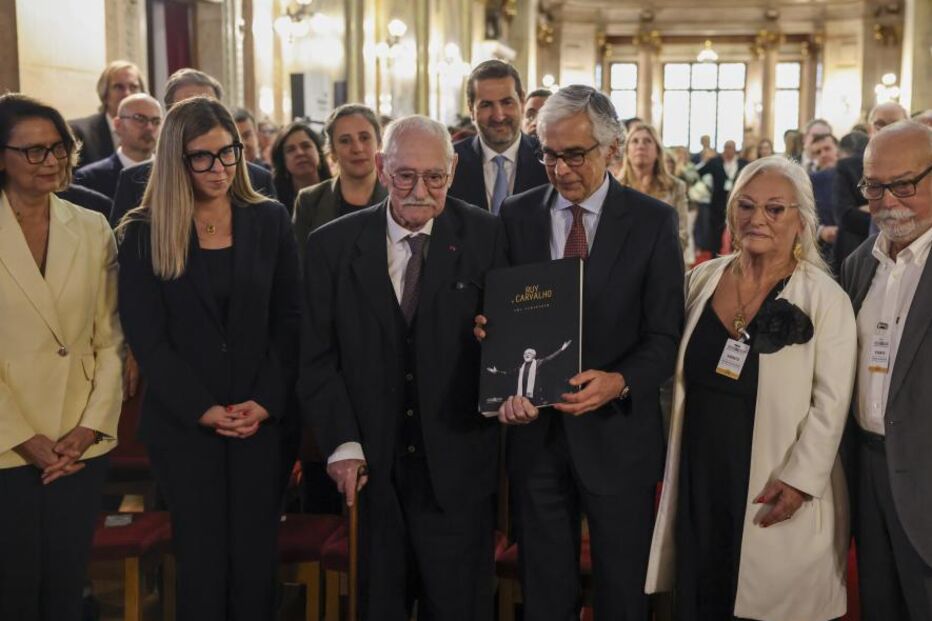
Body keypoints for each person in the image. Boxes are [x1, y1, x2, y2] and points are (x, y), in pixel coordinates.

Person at [484, 85, 684, 620]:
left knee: (622, 591)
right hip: (537, 437)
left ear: (612, 149)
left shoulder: (652, 222)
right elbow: (502, 320)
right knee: (545, 590)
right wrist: (492, 344)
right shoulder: (516, 215)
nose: (560, 169)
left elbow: (665, 337)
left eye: (575, 154)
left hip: (618, 435)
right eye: (548, 153)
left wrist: (618, 382)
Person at [298, 115, 507, 619]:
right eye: (405, 175)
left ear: (453, 171)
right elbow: (315, 357)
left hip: (458, 470)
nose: (419, 191)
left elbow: (509, 340)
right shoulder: (331, 245)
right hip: (372, 470)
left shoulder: (489, 236)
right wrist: (343, 445)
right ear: (380, 168)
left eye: (434, 177)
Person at [646, 155, 857, 621]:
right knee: (702, 593)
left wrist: (801, 482)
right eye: (745, 205)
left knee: (766, 603)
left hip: (775, 477)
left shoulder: (826, 299)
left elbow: (832, 404)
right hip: (701, 471)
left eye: (775, 209)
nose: (757, 218)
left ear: (802, 220)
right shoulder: (702, 279)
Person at [116, 97, 300, 620]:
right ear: (176, 158)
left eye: (228, 154)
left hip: (259, 422)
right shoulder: (143, 231)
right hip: (185, 426)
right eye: (203, 157)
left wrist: (264, 400)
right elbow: (148, 339)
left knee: (255, 560)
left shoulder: (269, 219)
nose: (219, 169)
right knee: (200, 561)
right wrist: (203, 408)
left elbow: (290, 321)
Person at [0, 93, 124, 620]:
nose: (50, 161)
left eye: (58, 148)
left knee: (66, 587)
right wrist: (22, 437)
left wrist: (88, 428)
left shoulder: (91, 225)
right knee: (14, 590)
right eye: (33, 151)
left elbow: (113, 338)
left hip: (77, 442)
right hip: (7, 444)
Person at [840, 120, 932, 621]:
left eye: (904, 184)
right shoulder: (859, 263)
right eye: (874, 186)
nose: (887, 200)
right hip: (869, 472)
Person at [109, 68, 276, 227]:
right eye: (186, 108)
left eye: (207, 106)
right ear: (169, 116)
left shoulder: (258, 179)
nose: (199, 116)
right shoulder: (134, 180)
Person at [447, 60, 549, 213]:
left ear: (521, 102)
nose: (499, 116)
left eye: (507, 102)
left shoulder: (548, 162)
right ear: (471, 109)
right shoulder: (449, 163)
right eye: (486, 105)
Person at [293, 104, 387, 265]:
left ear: (379, 144)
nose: (357, 148)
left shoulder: (398, 195)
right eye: (345, 141)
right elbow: (300, 264)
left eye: (364, 138)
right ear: (333, 152)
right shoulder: (310, 201)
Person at [833, 102, 908, 274]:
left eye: (894, 124)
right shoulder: (848, 167)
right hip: (858, 256)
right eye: (880, 124)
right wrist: (894, 217)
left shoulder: (921, 168)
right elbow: (845, 216)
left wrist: (871, 210)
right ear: (869, 129)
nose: (887, 130)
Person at [616, 123, 690, 252]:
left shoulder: (676, 187)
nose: (640, 146)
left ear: (657, 151)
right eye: (635, 141)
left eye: (647, 141)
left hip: (664, 261)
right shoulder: (615, 188)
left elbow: (682, 235)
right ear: (627, 151)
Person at [73, 93, 161, 199]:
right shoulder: (89, 178)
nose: (149, 127)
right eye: (140, 119)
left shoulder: (173, 173)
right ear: (118, 125)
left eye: (156, 121)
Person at [69, 60, 146, 168]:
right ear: (104, 94)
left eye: (133, 87)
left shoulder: (151, 132)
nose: (127, 94)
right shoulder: (79, 133)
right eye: (119, 87)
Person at [270, 121, 331, 215]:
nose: (300, 153)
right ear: (282, 161)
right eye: (291, 150)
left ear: (319, 151)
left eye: (306, 146)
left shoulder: (338, 192)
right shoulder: (275, 205)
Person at [699, 139, 748, 255]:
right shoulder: (715, 162)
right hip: (717, 204)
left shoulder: (743, 164)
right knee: (715, 234)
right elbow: (699, 172)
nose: (728, 150)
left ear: (735, 150)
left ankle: (737, 257)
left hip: (738, 202)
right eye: (726, 147)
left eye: (731, 147)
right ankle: (714, 258)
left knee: (737, 231)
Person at [808, 134, 841, 262]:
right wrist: (821, 231)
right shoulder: (809, 182)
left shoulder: (854, 175)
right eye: (818, 152)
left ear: (837, 149)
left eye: (827, 149)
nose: (823, 154)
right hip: (824, 253)